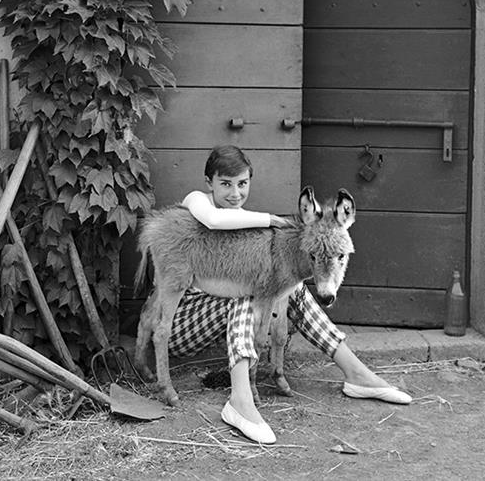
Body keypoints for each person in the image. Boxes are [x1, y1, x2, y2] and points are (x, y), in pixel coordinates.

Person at [166, 145, 411, 444]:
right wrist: (271, 219)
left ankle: (356, 373)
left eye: (242, 184)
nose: (234, 193)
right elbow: (215, 222)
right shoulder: (197, 201)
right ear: (209, 183)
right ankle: (240, 400)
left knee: (291, 283)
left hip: (214, 314)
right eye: (225, 184)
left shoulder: (242, 217)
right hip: (184, 321)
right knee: (252, 292)